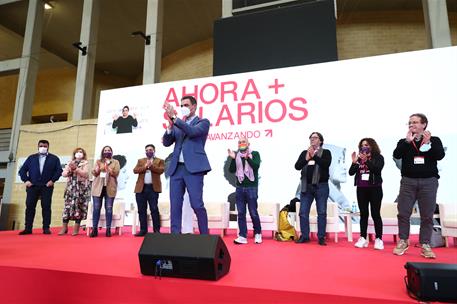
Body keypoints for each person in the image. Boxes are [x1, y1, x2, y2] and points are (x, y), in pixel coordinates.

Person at [392, 113, 445, 259]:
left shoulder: (434, 140)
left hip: (429, 182)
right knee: (403, 213)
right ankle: (403, 241)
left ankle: (425, 244)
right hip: (408, 182)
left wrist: (428, 144)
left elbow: (440, 155)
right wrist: (407, 142)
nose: (411, 125)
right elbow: (397, 154)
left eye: (415, 122)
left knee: (427, 215)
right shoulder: (404, 141)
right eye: (409, 123)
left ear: (424, 124)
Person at [163, 95, 210, 234]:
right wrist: (170, 127)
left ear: (194, 106)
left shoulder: (203, 122)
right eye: (181, 105)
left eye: (186, 105)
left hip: (194, 170)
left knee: (197, 204)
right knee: (175, 206)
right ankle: (175, 239)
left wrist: (175, 119)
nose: (183, 108)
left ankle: (205, 238)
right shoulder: (177, 124)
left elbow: (192, 132)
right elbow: (166, 142)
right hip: (177, 169)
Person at [18, 139, 63, 235]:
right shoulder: (31, 158)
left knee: (46, 207)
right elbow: (22, 170)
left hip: (47, 186)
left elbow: (59, 171)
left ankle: (46, 228)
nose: (43, 147)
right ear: (38, 147)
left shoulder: (54, 158)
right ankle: (28, 228)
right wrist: (26, 180)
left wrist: (52, 180)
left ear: (48, 147)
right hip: (32, 186)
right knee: (30, 207)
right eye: (41, 146)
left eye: (45, 146)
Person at [294, 132, 331, 246]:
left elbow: (326, 164)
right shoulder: (305, 153)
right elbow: (297, 166)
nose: (312, 139)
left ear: (320, 141)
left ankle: (321, 237)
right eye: (311, 137)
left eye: (315, 138)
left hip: (321, 186)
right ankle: (305, 236)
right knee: (303, 212)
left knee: (322, 212)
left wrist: (314, 156)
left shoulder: (326, 152)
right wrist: (306, 158)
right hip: (306, 187)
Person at [349, 138, 384, 250]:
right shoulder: (359, 159)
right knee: (363, 214)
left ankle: (379, 239)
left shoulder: (378, 157)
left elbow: (377, 170)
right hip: (361, 189)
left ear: (372, 146)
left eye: (367, 145)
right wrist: (354, 163)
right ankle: (363, 238)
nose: (364, 147)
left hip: (375, 188)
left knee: (375, 214)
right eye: (362, 145)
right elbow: (351, 173)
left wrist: (367, 160)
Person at [228, 136, 262, 244]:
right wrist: (233, 159)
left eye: (243, 142)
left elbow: (256, 166)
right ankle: (242, 235)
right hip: (239, 187)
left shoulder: (255, 153)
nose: (241, 144)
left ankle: (257, 233)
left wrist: (248, 158)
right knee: (241, 213)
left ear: (248, 144)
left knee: (253, 212)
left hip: (252, 187)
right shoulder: (237, 155)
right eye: (239, 142)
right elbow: (231, 170)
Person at [133, 144, 165, 236]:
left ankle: (156, 230)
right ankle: (143, 230)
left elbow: (161, 170)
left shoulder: (160, 161)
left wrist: (151, 166)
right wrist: (145, 166)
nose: (148, 151)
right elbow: (135, 170)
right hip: (141, 188)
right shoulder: (141, 160)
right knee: (141, 210)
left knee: (154, 209)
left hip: (153, 188)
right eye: (147, 150)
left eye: (150, 150)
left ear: (154, 151)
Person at [59, 147, 91, 236]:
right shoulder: (70, 162)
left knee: (79, 207)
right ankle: (64, 228)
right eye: (77, 152)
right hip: (70, 188)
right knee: (67, 207)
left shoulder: (85, 163)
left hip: (81, 189)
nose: (79, 153)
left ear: (83, 154)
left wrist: (76, 168)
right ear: (74, 154)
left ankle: (76, 229)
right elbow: (64, 174)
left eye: (81, 152)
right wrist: (69, 170)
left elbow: (85, 174)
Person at [90, 145, 120, 237]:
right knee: (96, 208)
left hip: (110, 187)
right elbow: (94, 173)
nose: (107, 152)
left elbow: (116, 173)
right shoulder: (98, 161)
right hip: (98, 187)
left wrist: (108, 168)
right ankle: (94, 229)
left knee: (109, 209)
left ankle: (108, 229)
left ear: (111, 152)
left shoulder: (115, 162)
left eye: (109, 150)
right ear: (103, 152)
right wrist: (98, 169)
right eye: (105, 150)